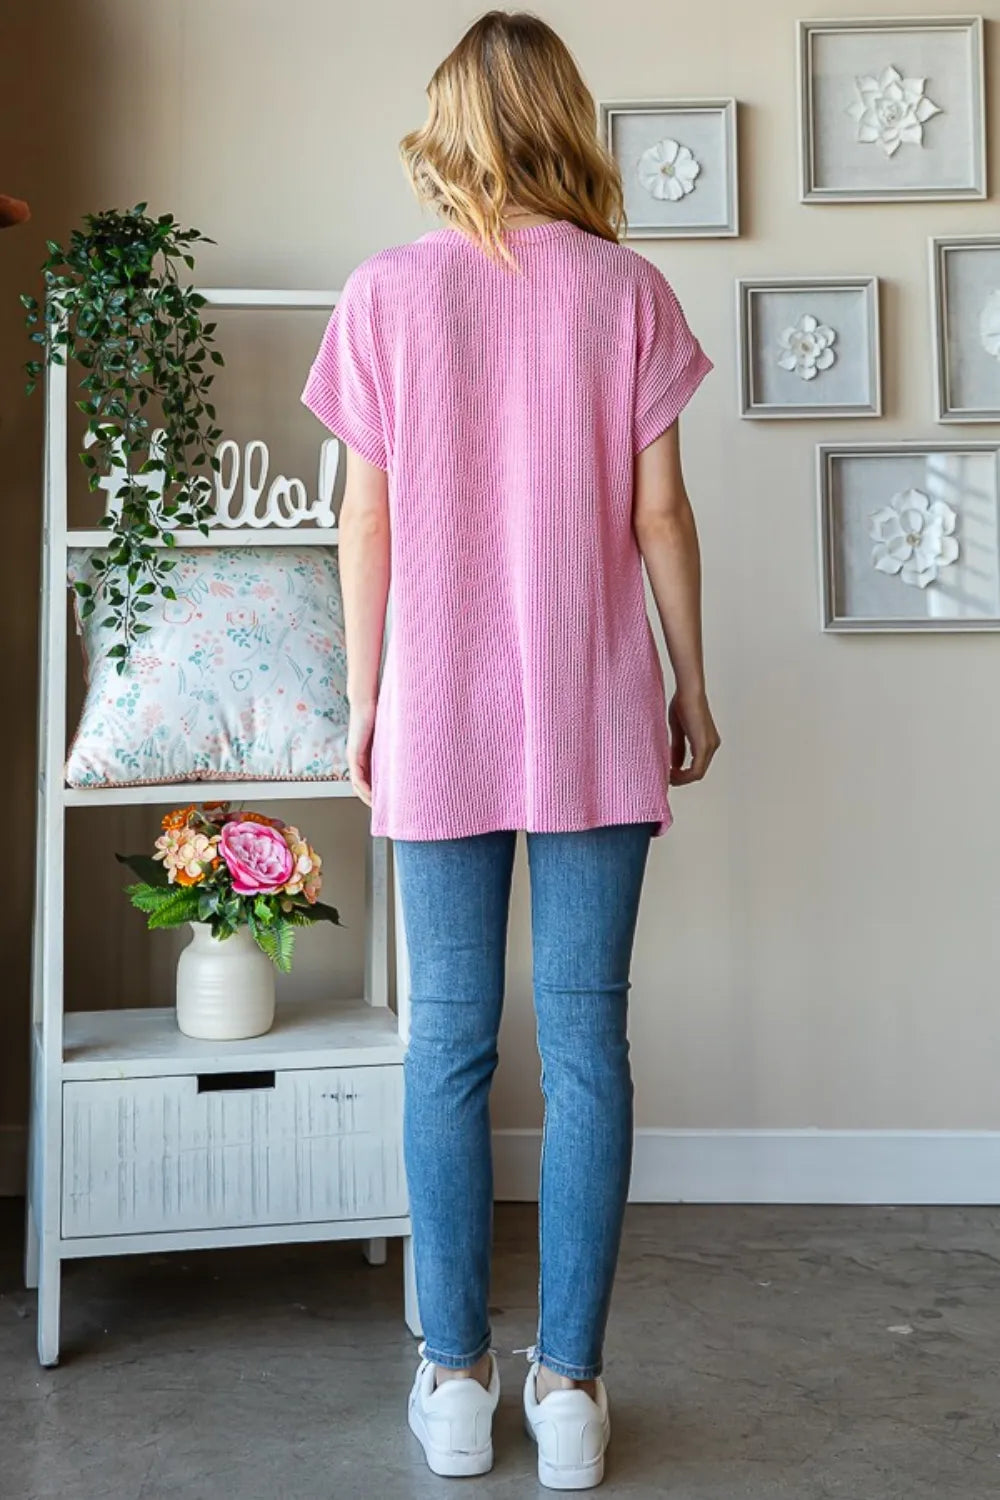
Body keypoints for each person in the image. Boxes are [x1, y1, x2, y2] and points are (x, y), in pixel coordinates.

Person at [301, 10, 720, 1489]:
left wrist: (365, 698)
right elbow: (658, 514)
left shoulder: (385, 292)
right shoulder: (629, 290)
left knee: (449, 1046)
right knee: (589, 1043)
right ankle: (572, 1392)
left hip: (437, 710)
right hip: (596, 705)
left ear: (450, 130)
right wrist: (692, 680)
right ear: (563, 123)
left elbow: (364, 520)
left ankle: (454, 1379)